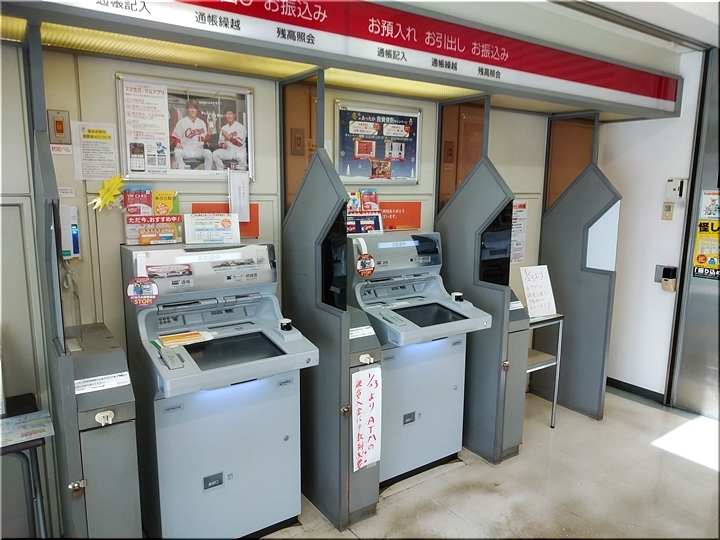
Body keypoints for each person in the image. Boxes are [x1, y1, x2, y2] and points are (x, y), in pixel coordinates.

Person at [171, 99, 213, 170]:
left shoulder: (202, 123)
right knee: (177, 152)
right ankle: (182, 172)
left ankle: (207, 173)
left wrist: (209, 134)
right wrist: (177, 143)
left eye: (194, 108)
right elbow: (176, 136)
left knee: (208, 153)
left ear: (197, 110)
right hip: (186, 149)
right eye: (190, 108)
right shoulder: (181, 122)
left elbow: (205, 140)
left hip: (198, 150)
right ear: (187, 109)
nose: (193, 110)